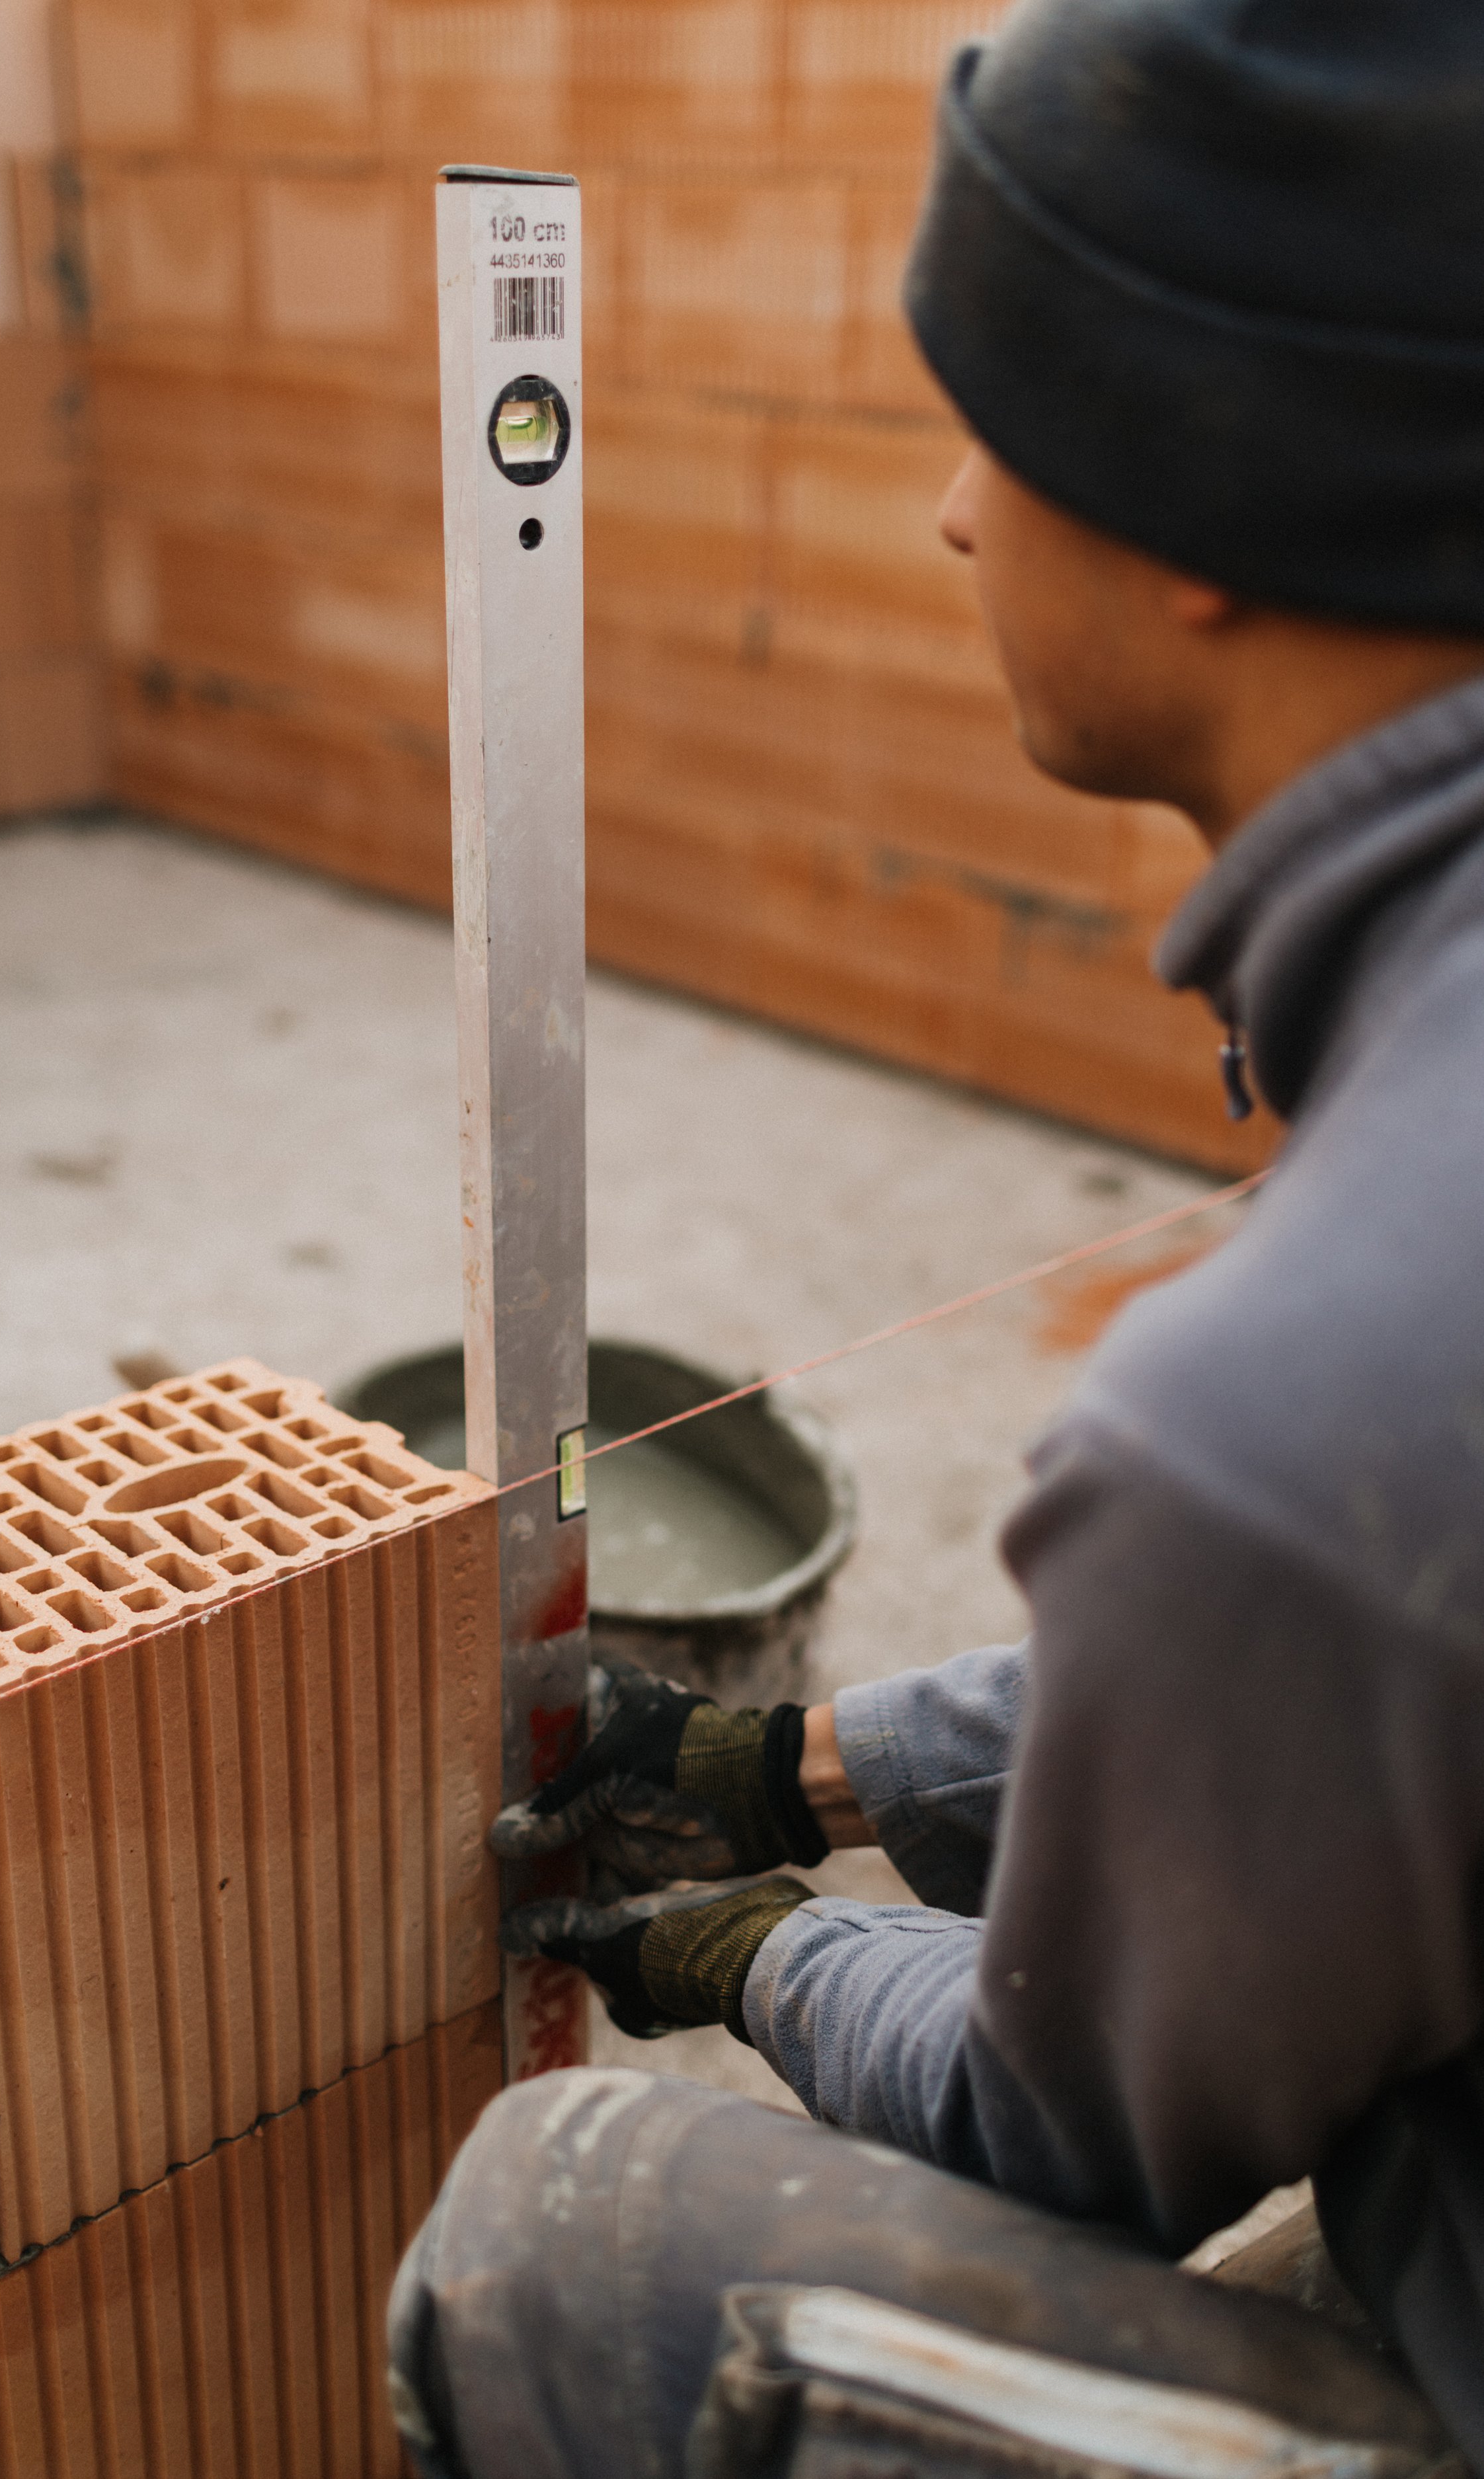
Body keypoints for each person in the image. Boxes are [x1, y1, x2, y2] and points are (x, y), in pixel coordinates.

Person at [391, 1, 1484, 2469]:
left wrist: (767, 1945)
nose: (956, 514)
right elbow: (1379, 1659)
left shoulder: (1286, 1405)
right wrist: (807, 1766)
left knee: (559, 2225)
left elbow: (1074, 2126)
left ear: (1196, 514)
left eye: (1002, 424)